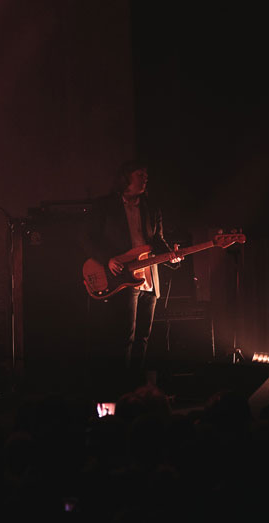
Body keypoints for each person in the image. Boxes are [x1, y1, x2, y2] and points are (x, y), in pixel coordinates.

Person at [83, 161, 181, 382]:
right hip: (122, 276)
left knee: (143, 338)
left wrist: (172, 258)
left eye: (146, 174)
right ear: (126, 177)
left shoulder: (151, 207)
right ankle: (121, 387)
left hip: (148, 278)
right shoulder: (105, 206)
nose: (145, 178)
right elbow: (87, 238)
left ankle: (137, 387)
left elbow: (157, 241)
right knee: (124, 337)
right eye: (140, 174)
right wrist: (107, 259)